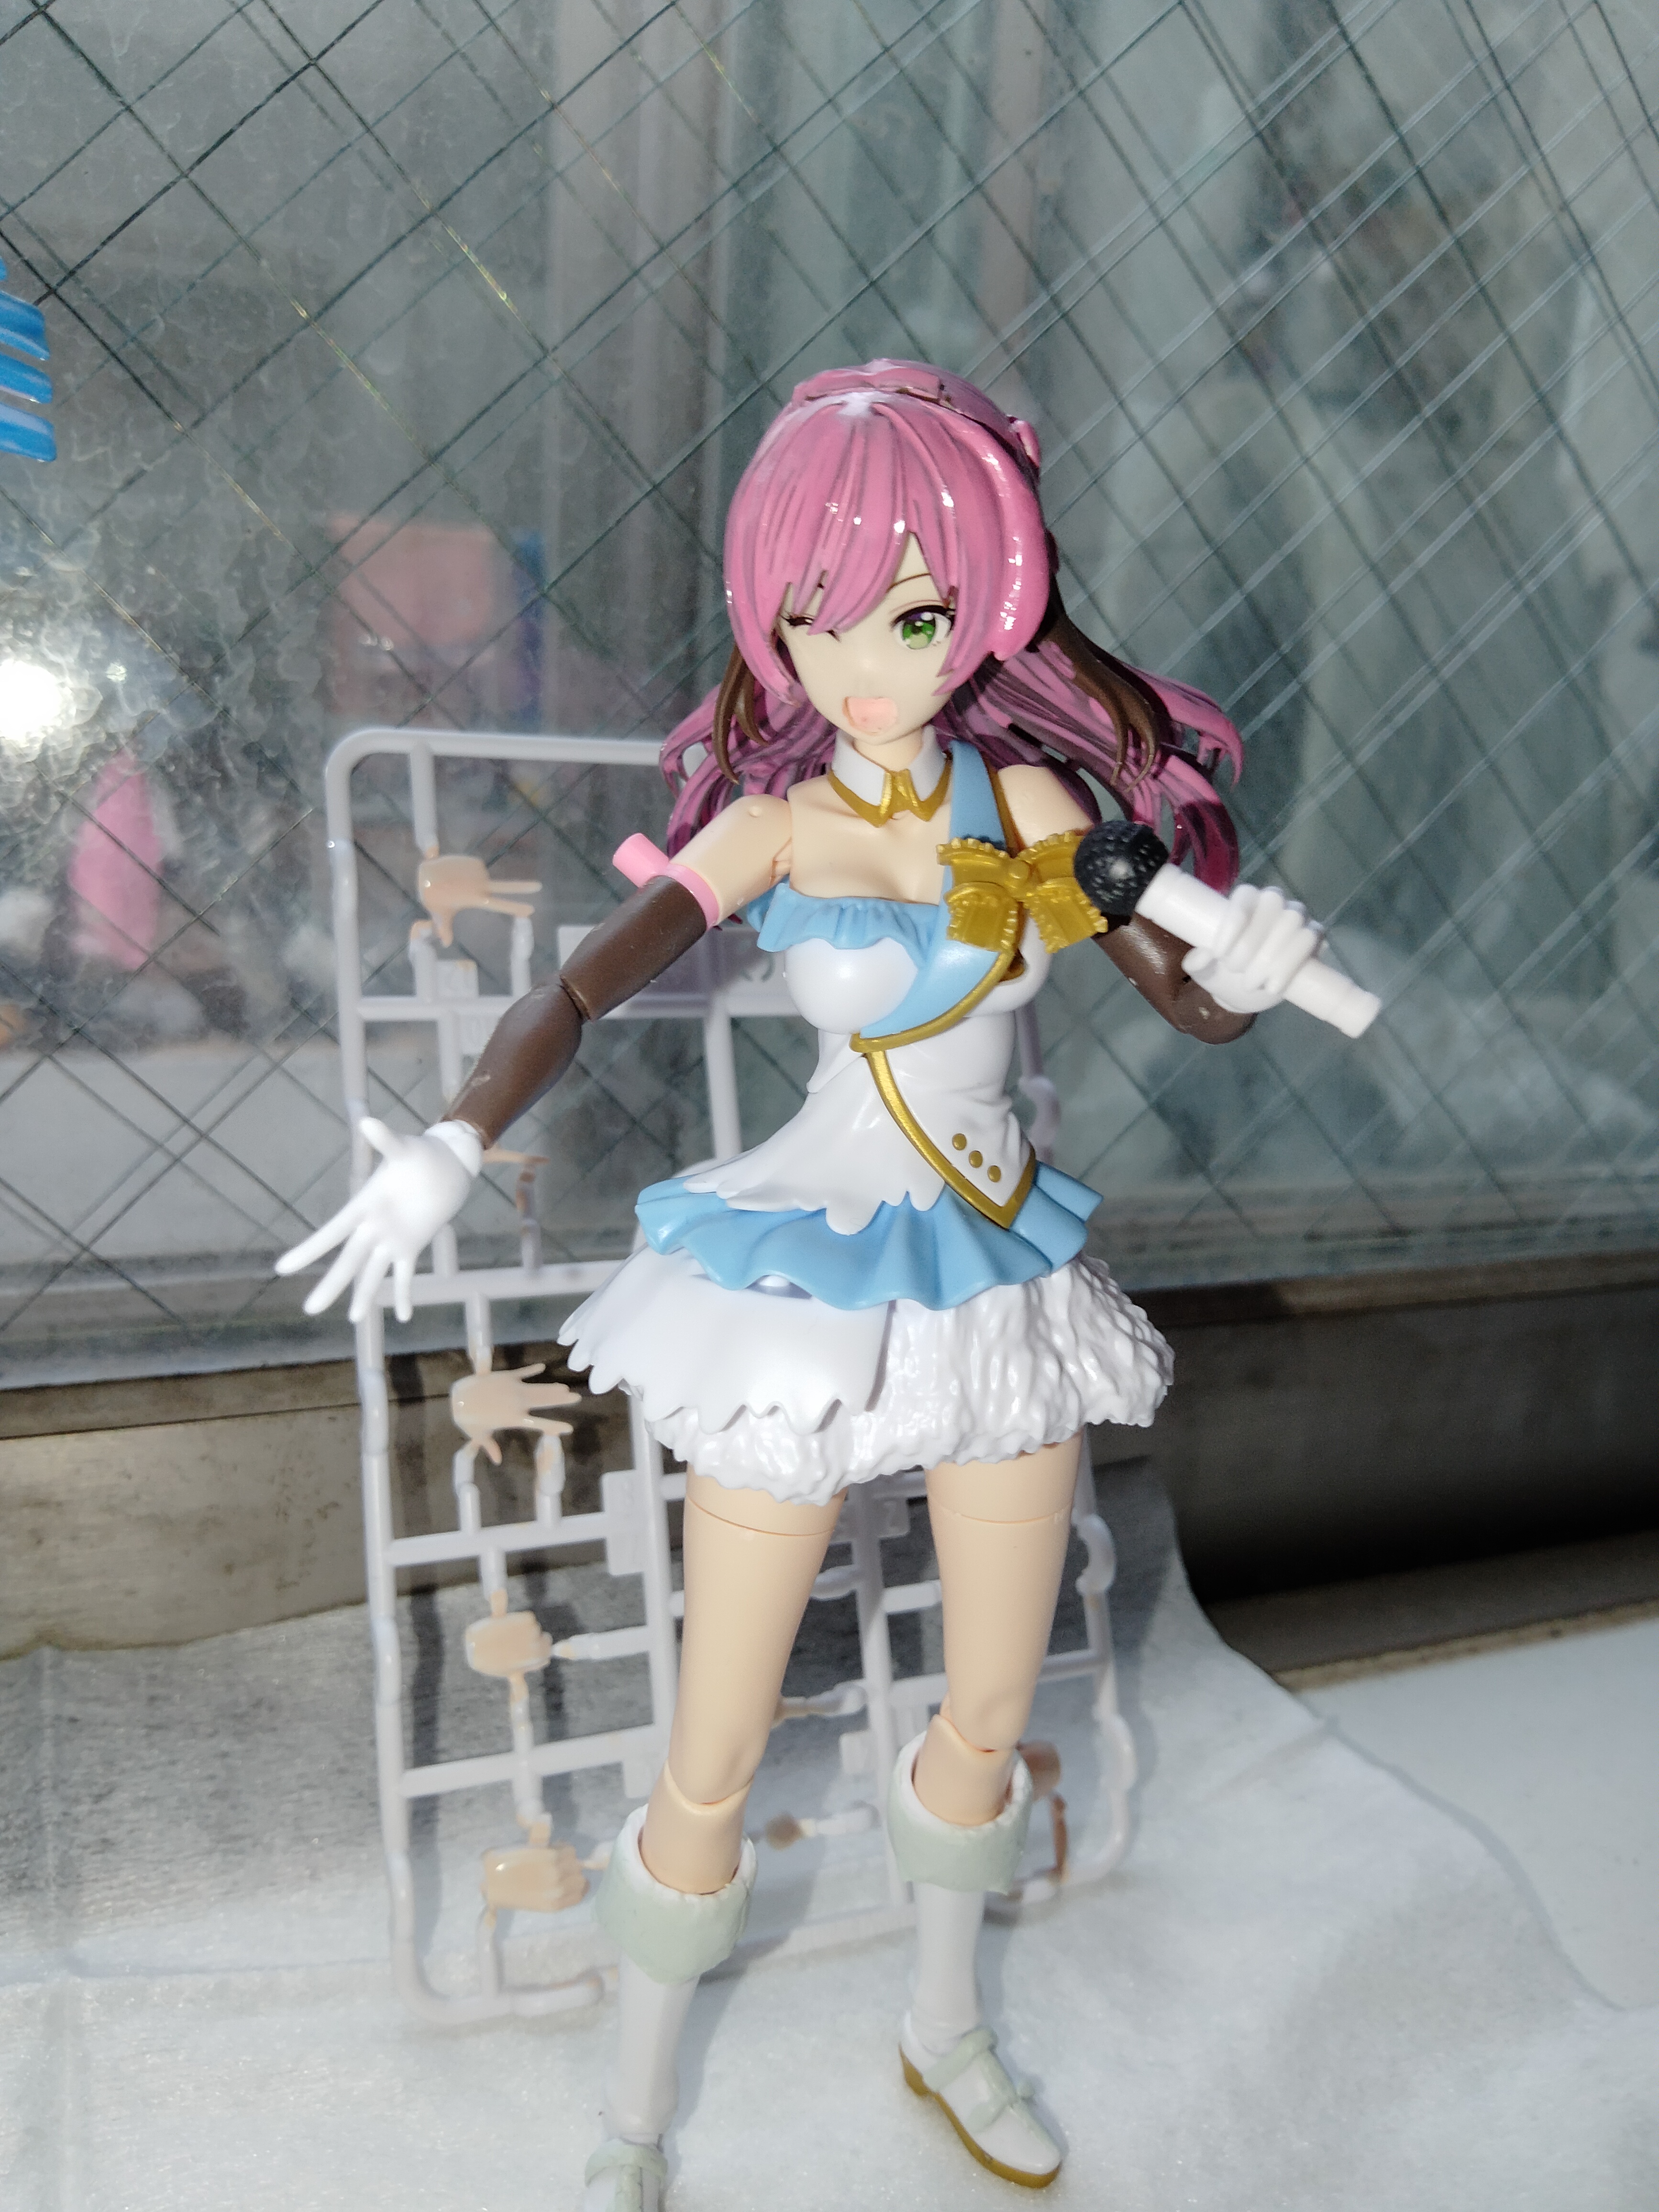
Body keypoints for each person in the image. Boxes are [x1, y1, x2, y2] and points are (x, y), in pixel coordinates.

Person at [279, 360, 1325, 2208]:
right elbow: (579, 984)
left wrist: (1238, 964)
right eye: (814, 617)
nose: (861, 662)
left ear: (983, 608)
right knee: (717, 1739)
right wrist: (452, 1135)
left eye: (908, 617)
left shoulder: (1032, 799)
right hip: (811, 1266)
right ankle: (634, 2112)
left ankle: (945, 2025)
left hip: (993, 1275)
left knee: (988, 1705)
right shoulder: (774, 827)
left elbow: (1187, 995)